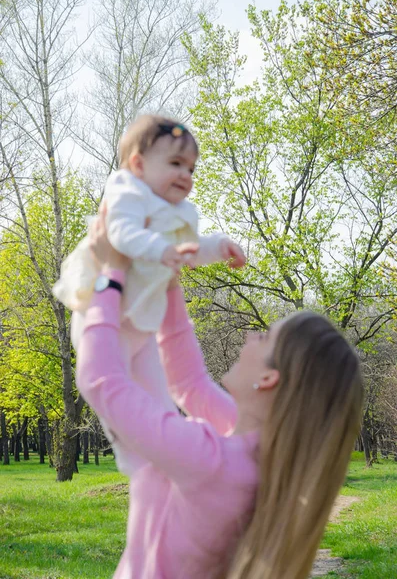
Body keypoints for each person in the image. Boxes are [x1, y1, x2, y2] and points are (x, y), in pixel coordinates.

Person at [76, 208, 364, 579]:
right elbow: (189, 384)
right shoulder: (260, 454)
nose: (248, 336)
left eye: (262, 337)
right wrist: (169, 284)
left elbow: (100, 380)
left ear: (268, 379)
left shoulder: (211, 461)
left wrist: (110, 276)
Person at [53, 114, 245, 473]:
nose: (186, 176)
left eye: (191, 168)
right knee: (117, 399)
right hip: (104, 317)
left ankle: (162, 464)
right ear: (139, 165)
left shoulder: (178, 212)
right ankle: (133, 464)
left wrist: (219, 247)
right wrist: (159, 250)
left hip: (143, 326)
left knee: (159, 404)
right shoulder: (127, 191)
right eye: (175, 164)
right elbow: (121, 235)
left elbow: (188, 250)